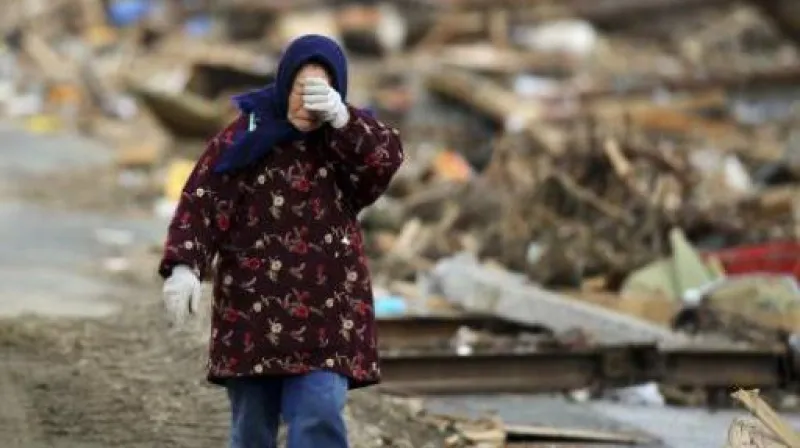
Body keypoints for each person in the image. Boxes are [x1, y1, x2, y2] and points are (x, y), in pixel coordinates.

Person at [157, 34, 404, 448]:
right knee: (252, 430)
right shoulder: (246, 136)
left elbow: (384, 161)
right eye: (301, 87)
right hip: (253, 316)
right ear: (285, 84)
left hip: (328, 317)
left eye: (320, 89)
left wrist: (344, 119)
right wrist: (184, 266)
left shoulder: (345, 142)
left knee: (319, 415)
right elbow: (203, 202)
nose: (307, 99)